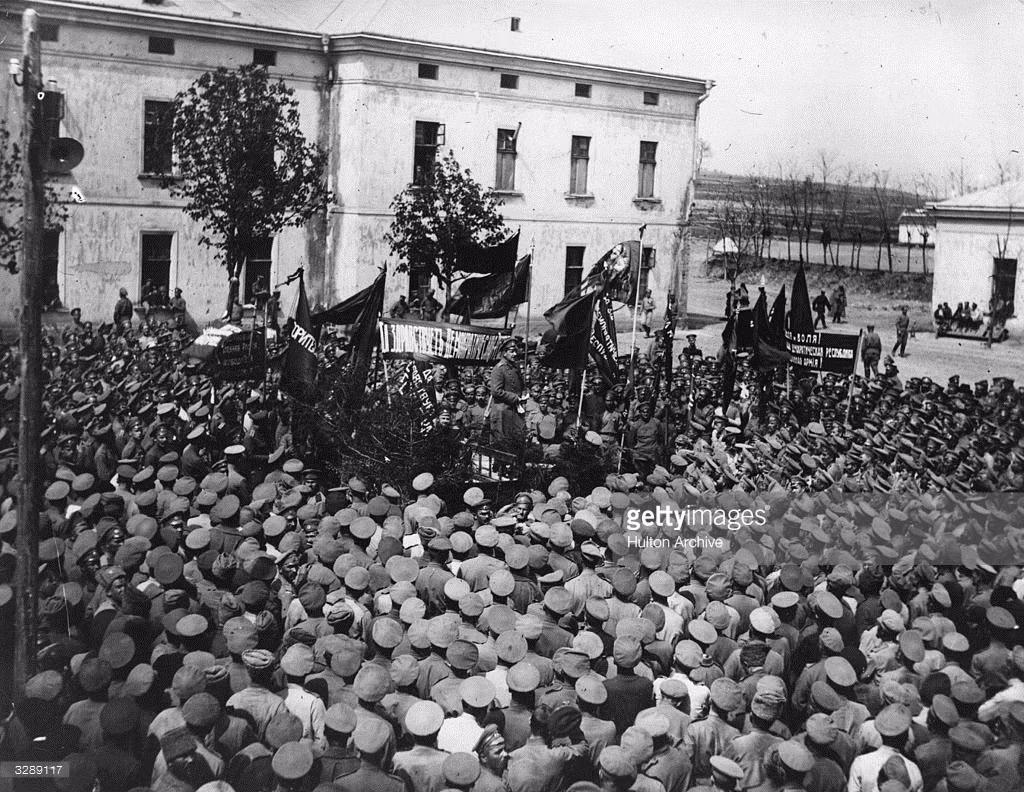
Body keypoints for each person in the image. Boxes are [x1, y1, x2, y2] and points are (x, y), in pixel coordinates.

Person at [489, 336, 527, 455]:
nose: (515, 354)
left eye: (515, 351)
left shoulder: (515, 368)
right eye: (511, 351)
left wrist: (524, 393)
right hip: (502, 411)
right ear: (504, 353)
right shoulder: (499, 369)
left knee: (516, 440)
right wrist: (515, 398)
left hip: (514, 410)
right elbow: (496, 391)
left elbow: (520, 386)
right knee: (502, 444)